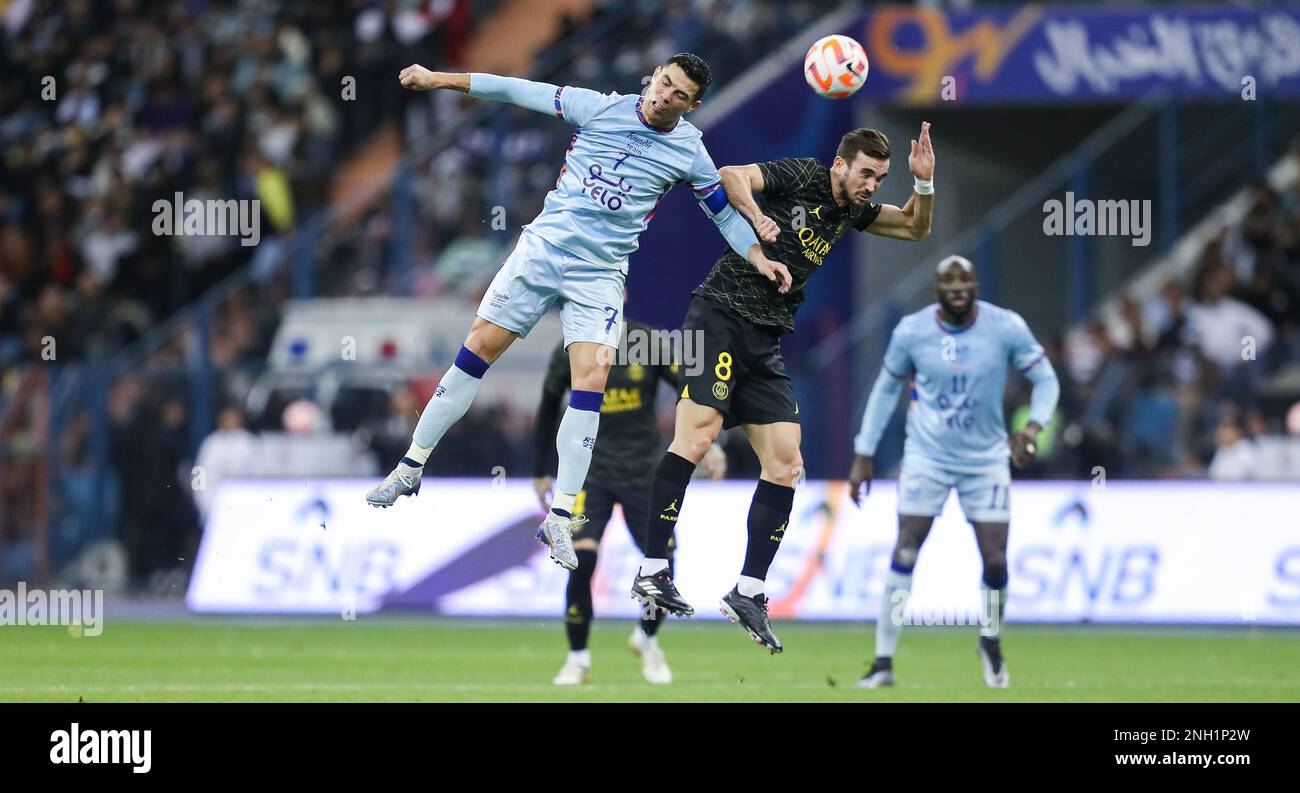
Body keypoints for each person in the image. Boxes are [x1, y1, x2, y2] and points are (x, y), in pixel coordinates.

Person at [367, 54, 787, 573]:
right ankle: (411, 464)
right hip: (543, 251)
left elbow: (723, 214)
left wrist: (757, 256)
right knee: (478, 349)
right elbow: (513, 89)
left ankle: (562, 516)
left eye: (679, 95)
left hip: (600, 273)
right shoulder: (599, 108)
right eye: (663, 83)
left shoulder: (689, 151)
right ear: (652, 75)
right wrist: (438, 79)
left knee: (593, 376)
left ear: (692, 105)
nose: (664, 97)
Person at [631, 124, 936, 653]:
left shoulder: (852, 212)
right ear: (840, 165)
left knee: (786, 462)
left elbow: (913, 228)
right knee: (697, 437)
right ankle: (653, 569)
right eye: (866, 173)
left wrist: (924, 185)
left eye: (881, 177)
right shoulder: (802, 176)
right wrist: (758, 217)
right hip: (720, 315)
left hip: (765, 338)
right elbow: (731, 177)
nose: (872, 185)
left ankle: (748, 591)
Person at [847, 255, 1060, 689]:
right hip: (927, 456)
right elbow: (885, 391)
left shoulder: (1006, 327)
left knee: (996, 559)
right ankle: (883, 661)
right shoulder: (911, 331)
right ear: (937, 289)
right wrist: (863, 452)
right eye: (949, 280)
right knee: (906, 547)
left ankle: (990, 639)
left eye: (965, 279)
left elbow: (1047, 381)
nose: (958, 286)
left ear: (976, 285)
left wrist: (1033, 427)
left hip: (986, 459)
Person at [533, 318, 725, 684]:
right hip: (591, 473)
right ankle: (577, 659)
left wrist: (708, 440)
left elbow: (688, 388)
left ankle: (647, 639)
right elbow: (547, 406)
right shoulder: (573, 345)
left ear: (621, 294)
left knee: (662, 565)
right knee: (582, 559)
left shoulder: (644, 340)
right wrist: (540, 469)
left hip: (645, 473)